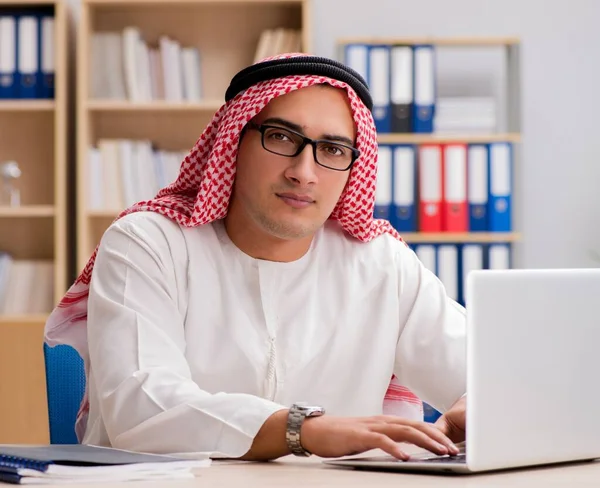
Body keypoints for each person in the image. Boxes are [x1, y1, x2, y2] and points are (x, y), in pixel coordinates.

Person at [44, 53, 467, 462]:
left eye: (334, 150)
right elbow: (141, 407)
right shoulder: (149, 244)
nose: (304, 171)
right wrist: (302, 430)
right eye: (281, 137)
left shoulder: (382, 264)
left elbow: (485, 374)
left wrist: (483, 406)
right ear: (232, 143)